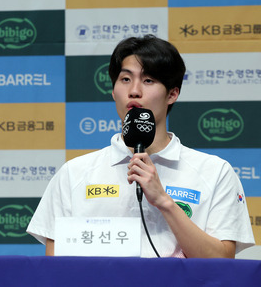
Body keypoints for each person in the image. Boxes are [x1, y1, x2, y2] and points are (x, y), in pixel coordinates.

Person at [27, 35, 254, 258]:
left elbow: (223, 263)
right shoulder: (74, 173)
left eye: (148, 80)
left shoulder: (215, 172)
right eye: (125, 79)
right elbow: (56, 263)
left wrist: (164, 202)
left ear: (172, 94)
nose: (134, 90)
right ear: (113, 90)